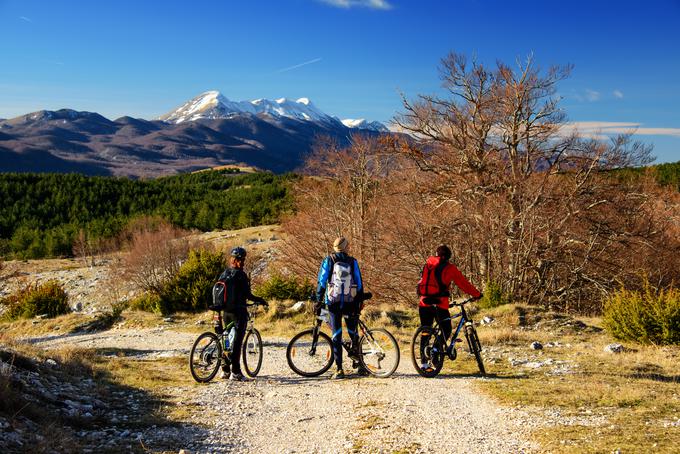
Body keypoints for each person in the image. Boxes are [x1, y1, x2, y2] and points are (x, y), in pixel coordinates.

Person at [417, 245, 482, 371]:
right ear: (448, 256)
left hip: (424, 302)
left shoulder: (428, 265)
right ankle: (436, 351)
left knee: (426, 331)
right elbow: (463, 283)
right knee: (446, 329)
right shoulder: (449, 268)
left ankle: (424, 364)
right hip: (439, 303)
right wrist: (477, 294)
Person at [315, 237, 366, 379]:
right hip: (350, 302)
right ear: (346, 247)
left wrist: (318, 299)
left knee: (336, 335)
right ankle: (361, 366)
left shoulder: (328, 260)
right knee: (353, 333)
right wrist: (359, 300)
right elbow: (359, 282)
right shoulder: (352, 261)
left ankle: (339, 369)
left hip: (333, 303)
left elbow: (322, 281)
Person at [219, 246, 267, 381]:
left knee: (226, 340)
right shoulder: (241, 275)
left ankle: (225, 370)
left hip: (225, 312)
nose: (244, 262)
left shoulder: (225, 273)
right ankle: (236, 372)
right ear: (240, 260)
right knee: (237, 343)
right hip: (238, 312)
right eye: (243, 259)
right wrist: (261, 300)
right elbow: (248, 295)